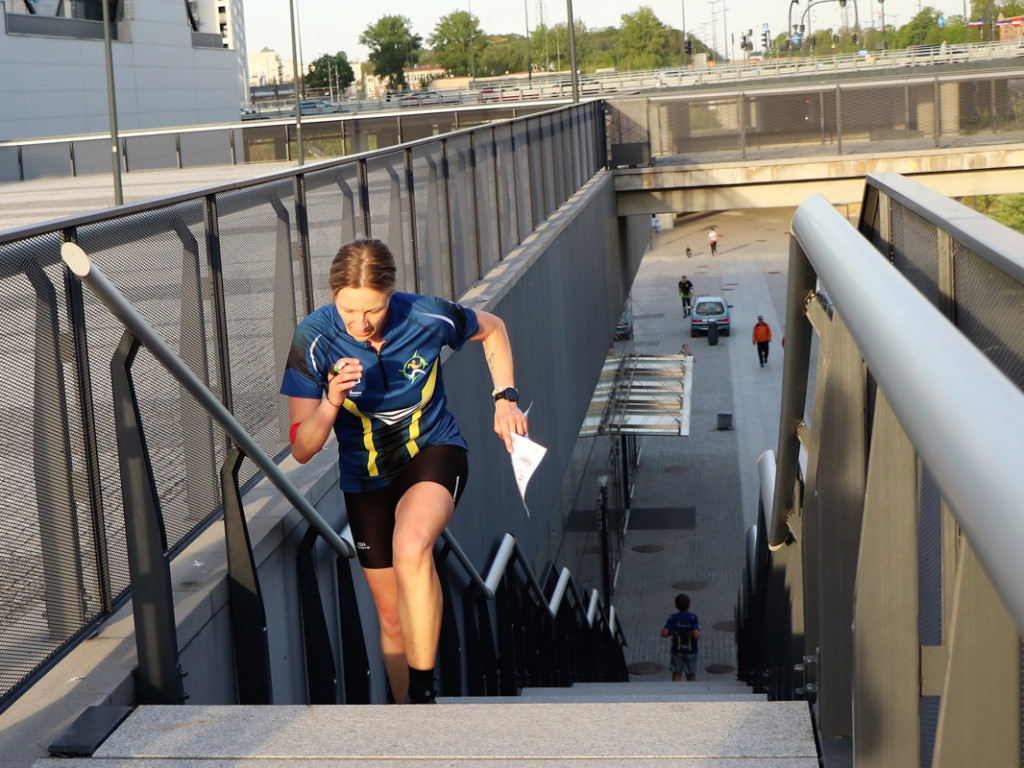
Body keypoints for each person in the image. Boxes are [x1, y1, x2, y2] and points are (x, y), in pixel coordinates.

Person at [281, 239, 528, 704]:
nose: (361, 322)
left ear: (390, 295)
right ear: (333, 296)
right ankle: (405, 714)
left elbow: (492, 329)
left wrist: (505, 399)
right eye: (349, 310)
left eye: (372, 309)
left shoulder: (426, 316)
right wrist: (332, 401)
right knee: (391, 617)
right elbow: (301, 449)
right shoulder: (311, 338)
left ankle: (423, 692)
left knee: (412, 545)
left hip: (434, 450)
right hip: (365, 478)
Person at [661, 593, 701, 682]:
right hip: (691, 650)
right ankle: (691, 693)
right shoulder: (693, 617)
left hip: (677, 650)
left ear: (676, 605)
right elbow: (696, 635)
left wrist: (674, 631)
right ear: (689, 605)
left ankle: (676, 692)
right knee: (690, 674)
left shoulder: (673, 617)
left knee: (676, 673)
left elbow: (664, 633)